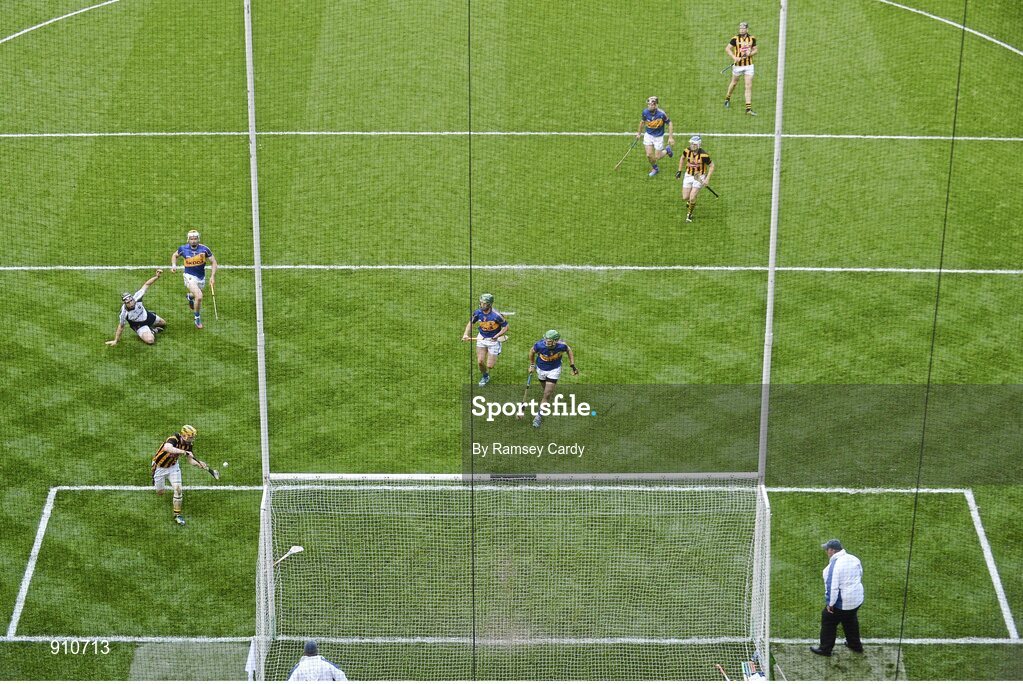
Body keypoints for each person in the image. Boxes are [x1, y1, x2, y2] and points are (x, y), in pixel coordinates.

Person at [151, 425, 220, 526]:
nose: (193, 439)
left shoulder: (189, 445)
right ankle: (153, 475)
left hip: (173, 467)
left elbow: (190, 460)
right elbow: (167, 448)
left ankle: (177, 515)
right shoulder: (174, 439)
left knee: (178, 489)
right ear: (185, 435)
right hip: (159, 467)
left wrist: (198, 463)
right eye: (191, 436)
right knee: (160, 492)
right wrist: (184, 452)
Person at [811, 539, 865, 656]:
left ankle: (825, 649)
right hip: (858, 599)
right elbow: (860, 574)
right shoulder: (853, 558)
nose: (826, 552)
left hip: (844, 602)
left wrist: (830, 604)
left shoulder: (832, 567)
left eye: (827, 550)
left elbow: (832, 588)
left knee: (828, 619)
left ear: (832, 550)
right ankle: (855, 645)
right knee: (850, 619)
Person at [527, 330, 578, 428]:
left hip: (554, 370)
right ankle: (547, 397)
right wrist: (532, 365)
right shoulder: (539, 345)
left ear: (555, 341)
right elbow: (532, 351)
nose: (546, 342)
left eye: (549, 340)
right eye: (546, 339)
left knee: (546, 394)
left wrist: (572, 365)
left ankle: (538, 416)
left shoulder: (561, 346)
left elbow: (569, 350)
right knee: (545, 388)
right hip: (541, 369)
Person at [170, 229, 217, 329]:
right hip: (189, 276)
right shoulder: (183, 249)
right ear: (188, 240)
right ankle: (197, 318)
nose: (193, 241)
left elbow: (214, 262)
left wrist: (212, 276)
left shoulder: (205, 250)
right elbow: (175, 255)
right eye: (191, 239)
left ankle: (190, 297)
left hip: (201, 278)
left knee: (195, 295)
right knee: (199, 296)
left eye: (195, 239)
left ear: (198, 239)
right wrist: (174, 265)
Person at [106, 270, 167, 346]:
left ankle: (151, 321)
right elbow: (121, 326)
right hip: (139, 325)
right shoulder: (124, 313)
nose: (130, 303)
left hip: (147, 316)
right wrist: (116, 340)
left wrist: (156, 277)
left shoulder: (137, 297)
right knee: (150, 340)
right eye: (128, 302)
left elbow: (146, 284)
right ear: (125, 303)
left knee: (164, 323)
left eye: (131, 300)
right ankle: (153, 331)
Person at [462, 293, 509, 387]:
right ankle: (485, 376)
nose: (481, 305)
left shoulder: (497, 316)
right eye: (481, 303)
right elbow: (471, 323)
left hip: (493, 341)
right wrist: (465, 334)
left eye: (484, 303)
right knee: (480, 362)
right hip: (481, 338)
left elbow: (506, 327)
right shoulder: (477, 313)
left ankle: (497, 349)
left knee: (490, 366)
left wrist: (497, 336)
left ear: (489, 304)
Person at [675, 136, 715, 223]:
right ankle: (689, 202)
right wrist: (679, 171)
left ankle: (689, 214)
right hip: (688, 175)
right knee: (685, 197)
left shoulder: (704, 155)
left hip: (699, 177)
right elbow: (682, 158)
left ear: (698, 145)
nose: (692, 145)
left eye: (694, 144)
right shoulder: (687, 151)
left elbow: (712, 166)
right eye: (691, 143)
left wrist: (707, 179)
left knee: (692, 197)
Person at [635, 96, 675, 177]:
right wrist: (639, 133)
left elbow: (669, 123)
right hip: (648, 135)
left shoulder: (661, 114)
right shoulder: (645, 112)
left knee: (657, 157)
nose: (649, 106)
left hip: (658, 137)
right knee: (649, 155)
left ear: (656, 105)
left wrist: (670, 137)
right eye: (648, 104)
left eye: (651, 104)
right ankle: (655, 168)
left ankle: (667, 150)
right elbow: (642, 122)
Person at [724, 22, 758, 116]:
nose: (741, 30)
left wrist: (749, 53)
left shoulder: (752, 39)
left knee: (748, 86)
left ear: (747, 29)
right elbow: (727, 49)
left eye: (743, 28)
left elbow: (756, 50)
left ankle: (748, 109)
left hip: (749, 66)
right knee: (734, 83)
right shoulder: (735, 39)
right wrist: (734, 57)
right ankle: (727, 98)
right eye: (740, 28)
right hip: (738, 66)